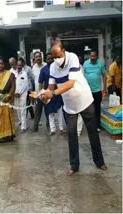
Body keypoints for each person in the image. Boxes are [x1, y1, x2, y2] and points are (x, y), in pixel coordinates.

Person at [41, 41, 107, 176]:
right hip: (69, 105)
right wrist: (43, 95)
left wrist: (52, 94)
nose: (56, 60)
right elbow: (51, 87)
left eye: (58, 56)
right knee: (71, 135)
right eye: (53, 58)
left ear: (64, 51)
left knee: (92, 132)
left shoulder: (73, 58)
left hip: (85, 101)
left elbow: (70, 83)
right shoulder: (53, 67)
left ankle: (99, 162)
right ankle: (74, 165)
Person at [38, 53, 65, 135]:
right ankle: (52, 129)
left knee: (60, 110)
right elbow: (40, 82)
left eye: (51, 58)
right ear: (46, 60)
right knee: (50, 112)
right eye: (48, 59)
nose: (50, 60)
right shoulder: (43, 70)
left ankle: (61, 128)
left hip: (58, 92)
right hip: (48, 93)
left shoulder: (58, 68)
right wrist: (41, 93)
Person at [83, 50, 107, 132]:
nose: (92, 58)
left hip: (97, 91)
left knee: (97, 109)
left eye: (94, 56)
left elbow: (104, 76)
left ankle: (97, 125)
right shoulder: (85, 64)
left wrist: (104, 88)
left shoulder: (100, 64)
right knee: (89, 110)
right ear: (89, 56)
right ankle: (90, 126)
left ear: (97, 56)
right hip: (88, 92)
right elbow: (82, 76)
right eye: (91, 56)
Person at [32, 51, 48, 132]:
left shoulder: (46, 65)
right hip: (38, 93)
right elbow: (33, 80)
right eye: (36, 57)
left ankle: (49, 125)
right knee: (37, 111)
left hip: (46, 92)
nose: (38, 58)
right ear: (34, 58)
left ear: (41, 57)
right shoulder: (33, 67)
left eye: (39, 56)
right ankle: (35, 127)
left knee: (48, 110)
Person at [13, 60, 29, 133]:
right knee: (17, 109)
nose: (19, 66)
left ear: (22, 66)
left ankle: (23, 127)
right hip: (15, 94)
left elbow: (25, 85)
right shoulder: (13, 73)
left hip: (22, 94)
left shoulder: (24, 73)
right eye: (18, 65)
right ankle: (20, 121)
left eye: (20, 65)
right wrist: (14, 93)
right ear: (16, 65)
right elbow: (12, 84)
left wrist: (19, 93)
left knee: (23, 110)